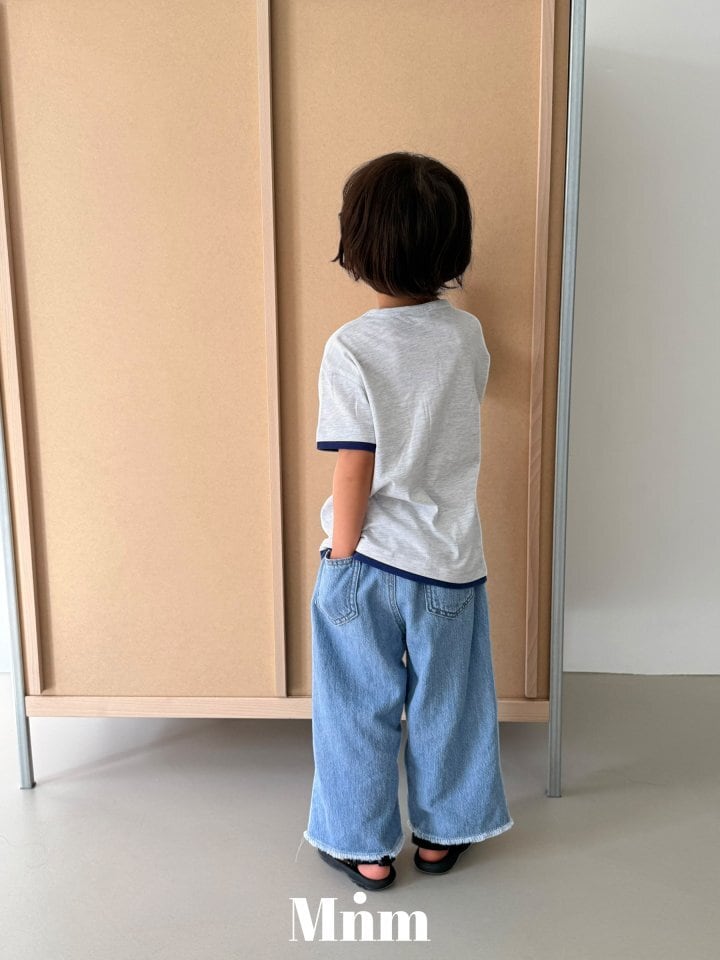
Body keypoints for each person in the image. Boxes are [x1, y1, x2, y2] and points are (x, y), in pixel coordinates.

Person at [302, 152, 513, 891]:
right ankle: (442, 835)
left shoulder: (351, 347)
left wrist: (340, 559)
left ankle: (362, 846)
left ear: (358, 246)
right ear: (453, 247)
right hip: (449, 562)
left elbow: (353, 467)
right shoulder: (468, 337)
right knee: (449, 704)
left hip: (368, 561)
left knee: (356, 705)